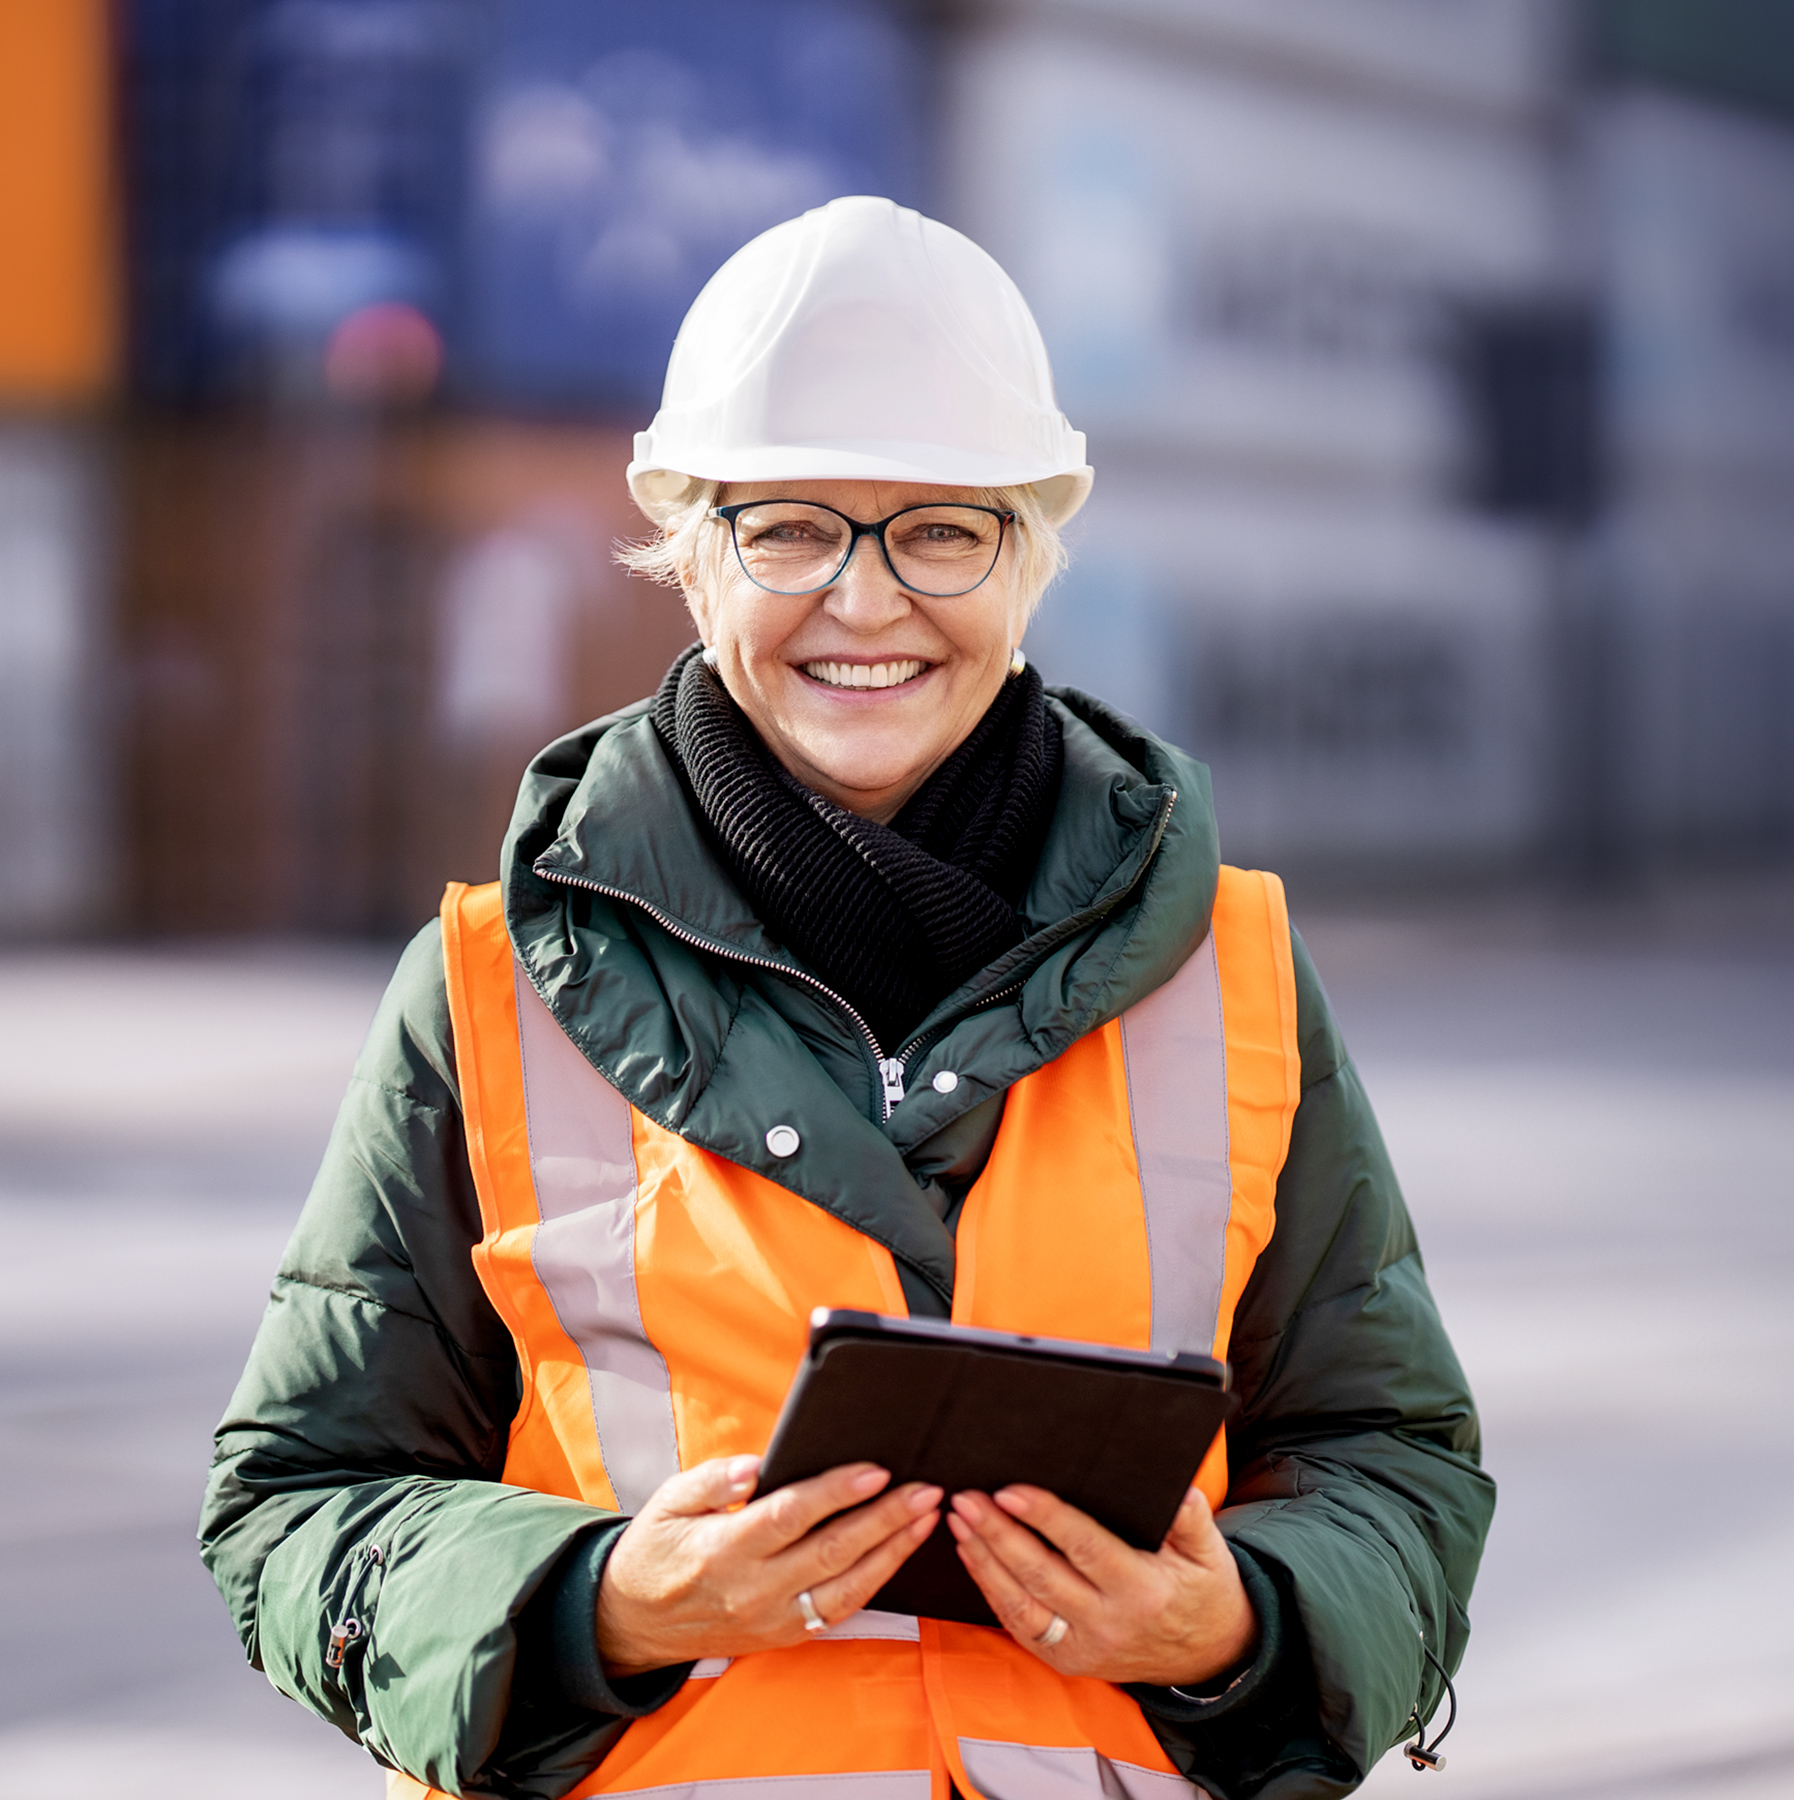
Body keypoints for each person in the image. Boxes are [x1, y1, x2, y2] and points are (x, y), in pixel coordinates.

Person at [200, 196, 1489, 1800]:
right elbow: (299, 1500)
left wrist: (1238, 1626)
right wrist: (597, 1603)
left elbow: (1395, 1465)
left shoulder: (1230, 975)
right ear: (689, 554)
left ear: (1032, 556)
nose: (866, 604)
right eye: (791, 527)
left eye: (941, 530)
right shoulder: (488, 990)